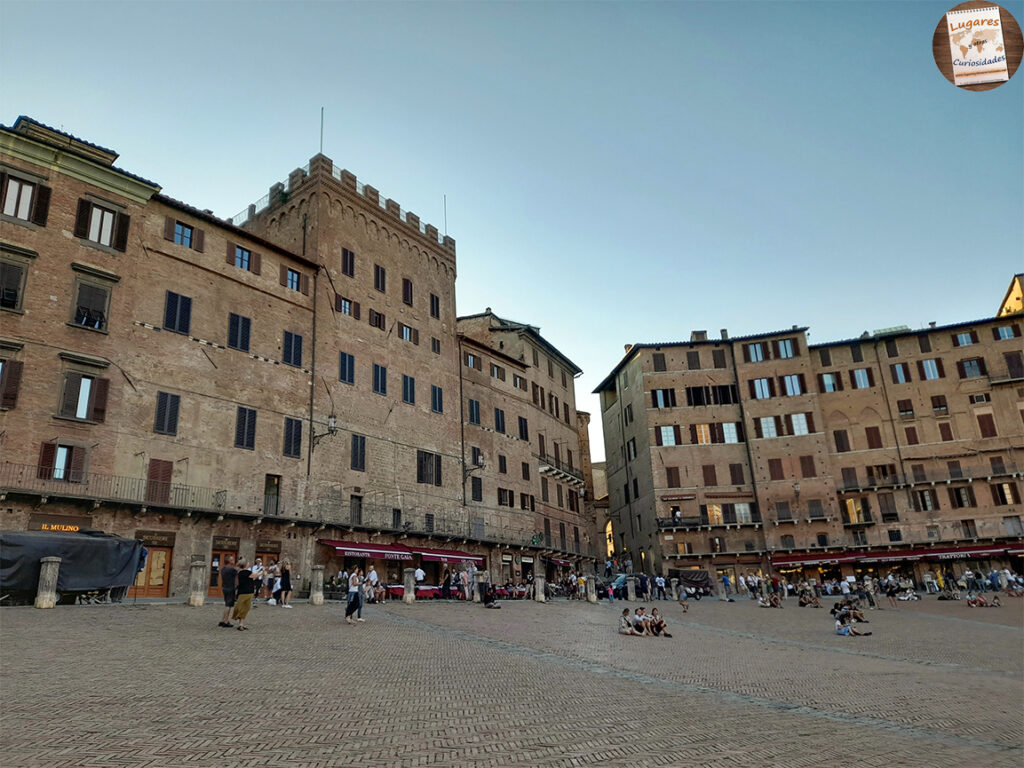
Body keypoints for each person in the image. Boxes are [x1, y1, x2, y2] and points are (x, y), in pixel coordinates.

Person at [232, 559, 255, 631]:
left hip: (245, 592)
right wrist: (262, 572)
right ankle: (240, 623)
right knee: (243, 608)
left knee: (245, 608)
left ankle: (241, 624)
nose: (249, 564)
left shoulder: (241, 572)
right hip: (246, 592)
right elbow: (255, 576)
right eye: (248, 563)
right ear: (245, 565)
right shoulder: (246, 572)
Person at [219, 555, 238, 628]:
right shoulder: (231, 569)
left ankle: (222, 619)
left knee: (227, 605)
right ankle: (226, 621)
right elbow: (238, 571)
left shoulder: (223, 569)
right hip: (230, 588)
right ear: (229, 561)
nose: (233, 561)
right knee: (229, 605)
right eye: (232, 559)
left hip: (225, 588)